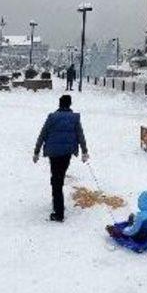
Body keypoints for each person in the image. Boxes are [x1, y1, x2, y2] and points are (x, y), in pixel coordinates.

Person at [33, 94, 89, 222]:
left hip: (54, 153)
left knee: (56, 180)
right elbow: (80, 135)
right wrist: (84, 151)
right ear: (69, 104)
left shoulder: (52, 117)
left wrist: (36, 152)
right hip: (66, 153)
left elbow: (42, 134)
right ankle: (58, 204)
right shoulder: (74, 118)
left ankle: (58, 212)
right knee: (59, 178)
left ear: (59, 104)